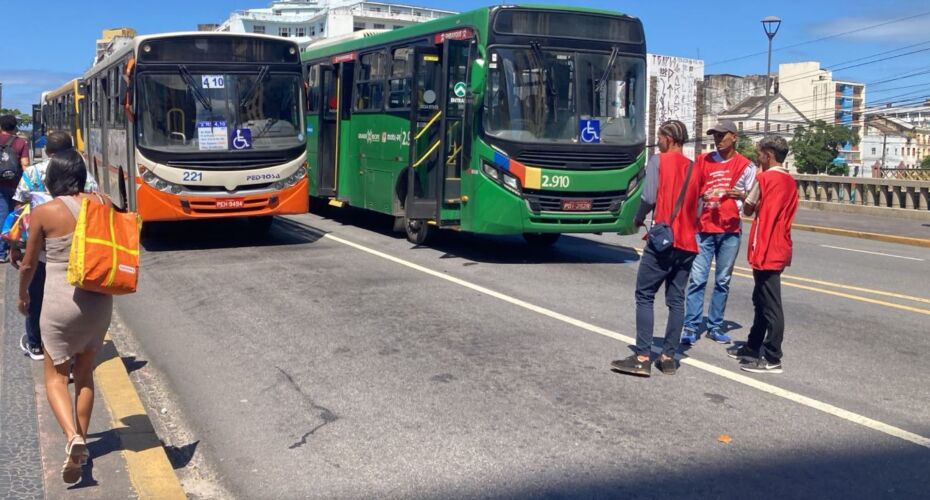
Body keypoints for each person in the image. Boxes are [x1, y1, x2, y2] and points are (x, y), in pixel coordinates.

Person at [18, 150, 113, 483]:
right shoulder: (103, 202)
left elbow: (29, 264)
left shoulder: (45, 212)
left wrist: (22, 295)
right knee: (85, 374)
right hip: (99, 301)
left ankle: (71, 436)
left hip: (60, 302)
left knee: (56, 376)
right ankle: (83, 444)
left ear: (51, 178)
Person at [611, 120, 702, 377]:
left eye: (660, 136)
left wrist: (638, 219)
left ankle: (641, 356)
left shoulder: (658, 161)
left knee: (645, 295)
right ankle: (668, 356)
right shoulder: (695, 168)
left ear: (669, 138)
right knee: (676, 300)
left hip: (664, 240)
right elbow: (699, 209)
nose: (658, 141)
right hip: (688, 243)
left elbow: (649, 197)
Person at [12, 131, 98, 361]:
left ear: (46, 150)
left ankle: (35, 344)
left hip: (40, 247)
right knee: (74, 297)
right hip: (76, 247)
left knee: (36, 295)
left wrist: (15, 244)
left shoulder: (32, 172)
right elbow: (94, 203)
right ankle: (72, 346)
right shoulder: (82, 171)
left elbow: (20, 207)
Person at [680, 120, 756, 345]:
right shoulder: (703, 161)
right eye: (715, 135)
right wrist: (701, 194)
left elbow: (753, 203)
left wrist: (740, 196)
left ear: (734, 137)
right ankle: (691, 326)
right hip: (703, 229)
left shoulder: (746, 166)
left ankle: (714, 325)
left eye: (722, 135)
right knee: (697, 279)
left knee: (722, 280)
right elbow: (690, 190)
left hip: (730, 230)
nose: (718, 139)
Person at [727, 135, 798, 374]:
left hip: (766, 246)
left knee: (770, 304)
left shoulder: (764, 178)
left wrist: (743, 196)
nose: (758, 158)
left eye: (759, 154)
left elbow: (748, 208)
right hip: (780, 243)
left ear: (768, 155)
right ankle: (752, 345)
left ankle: (772, 356)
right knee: (762, 300)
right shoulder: (790, 181)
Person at [0, 115, 29, 263]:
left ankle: (1, 251)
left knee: (3, 214)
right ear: (15, 127)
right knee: (17, 214)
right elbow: (25, 164)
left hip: (1, 185)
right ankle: (16, 244)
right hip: (16, 185)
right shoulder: (20, 142)